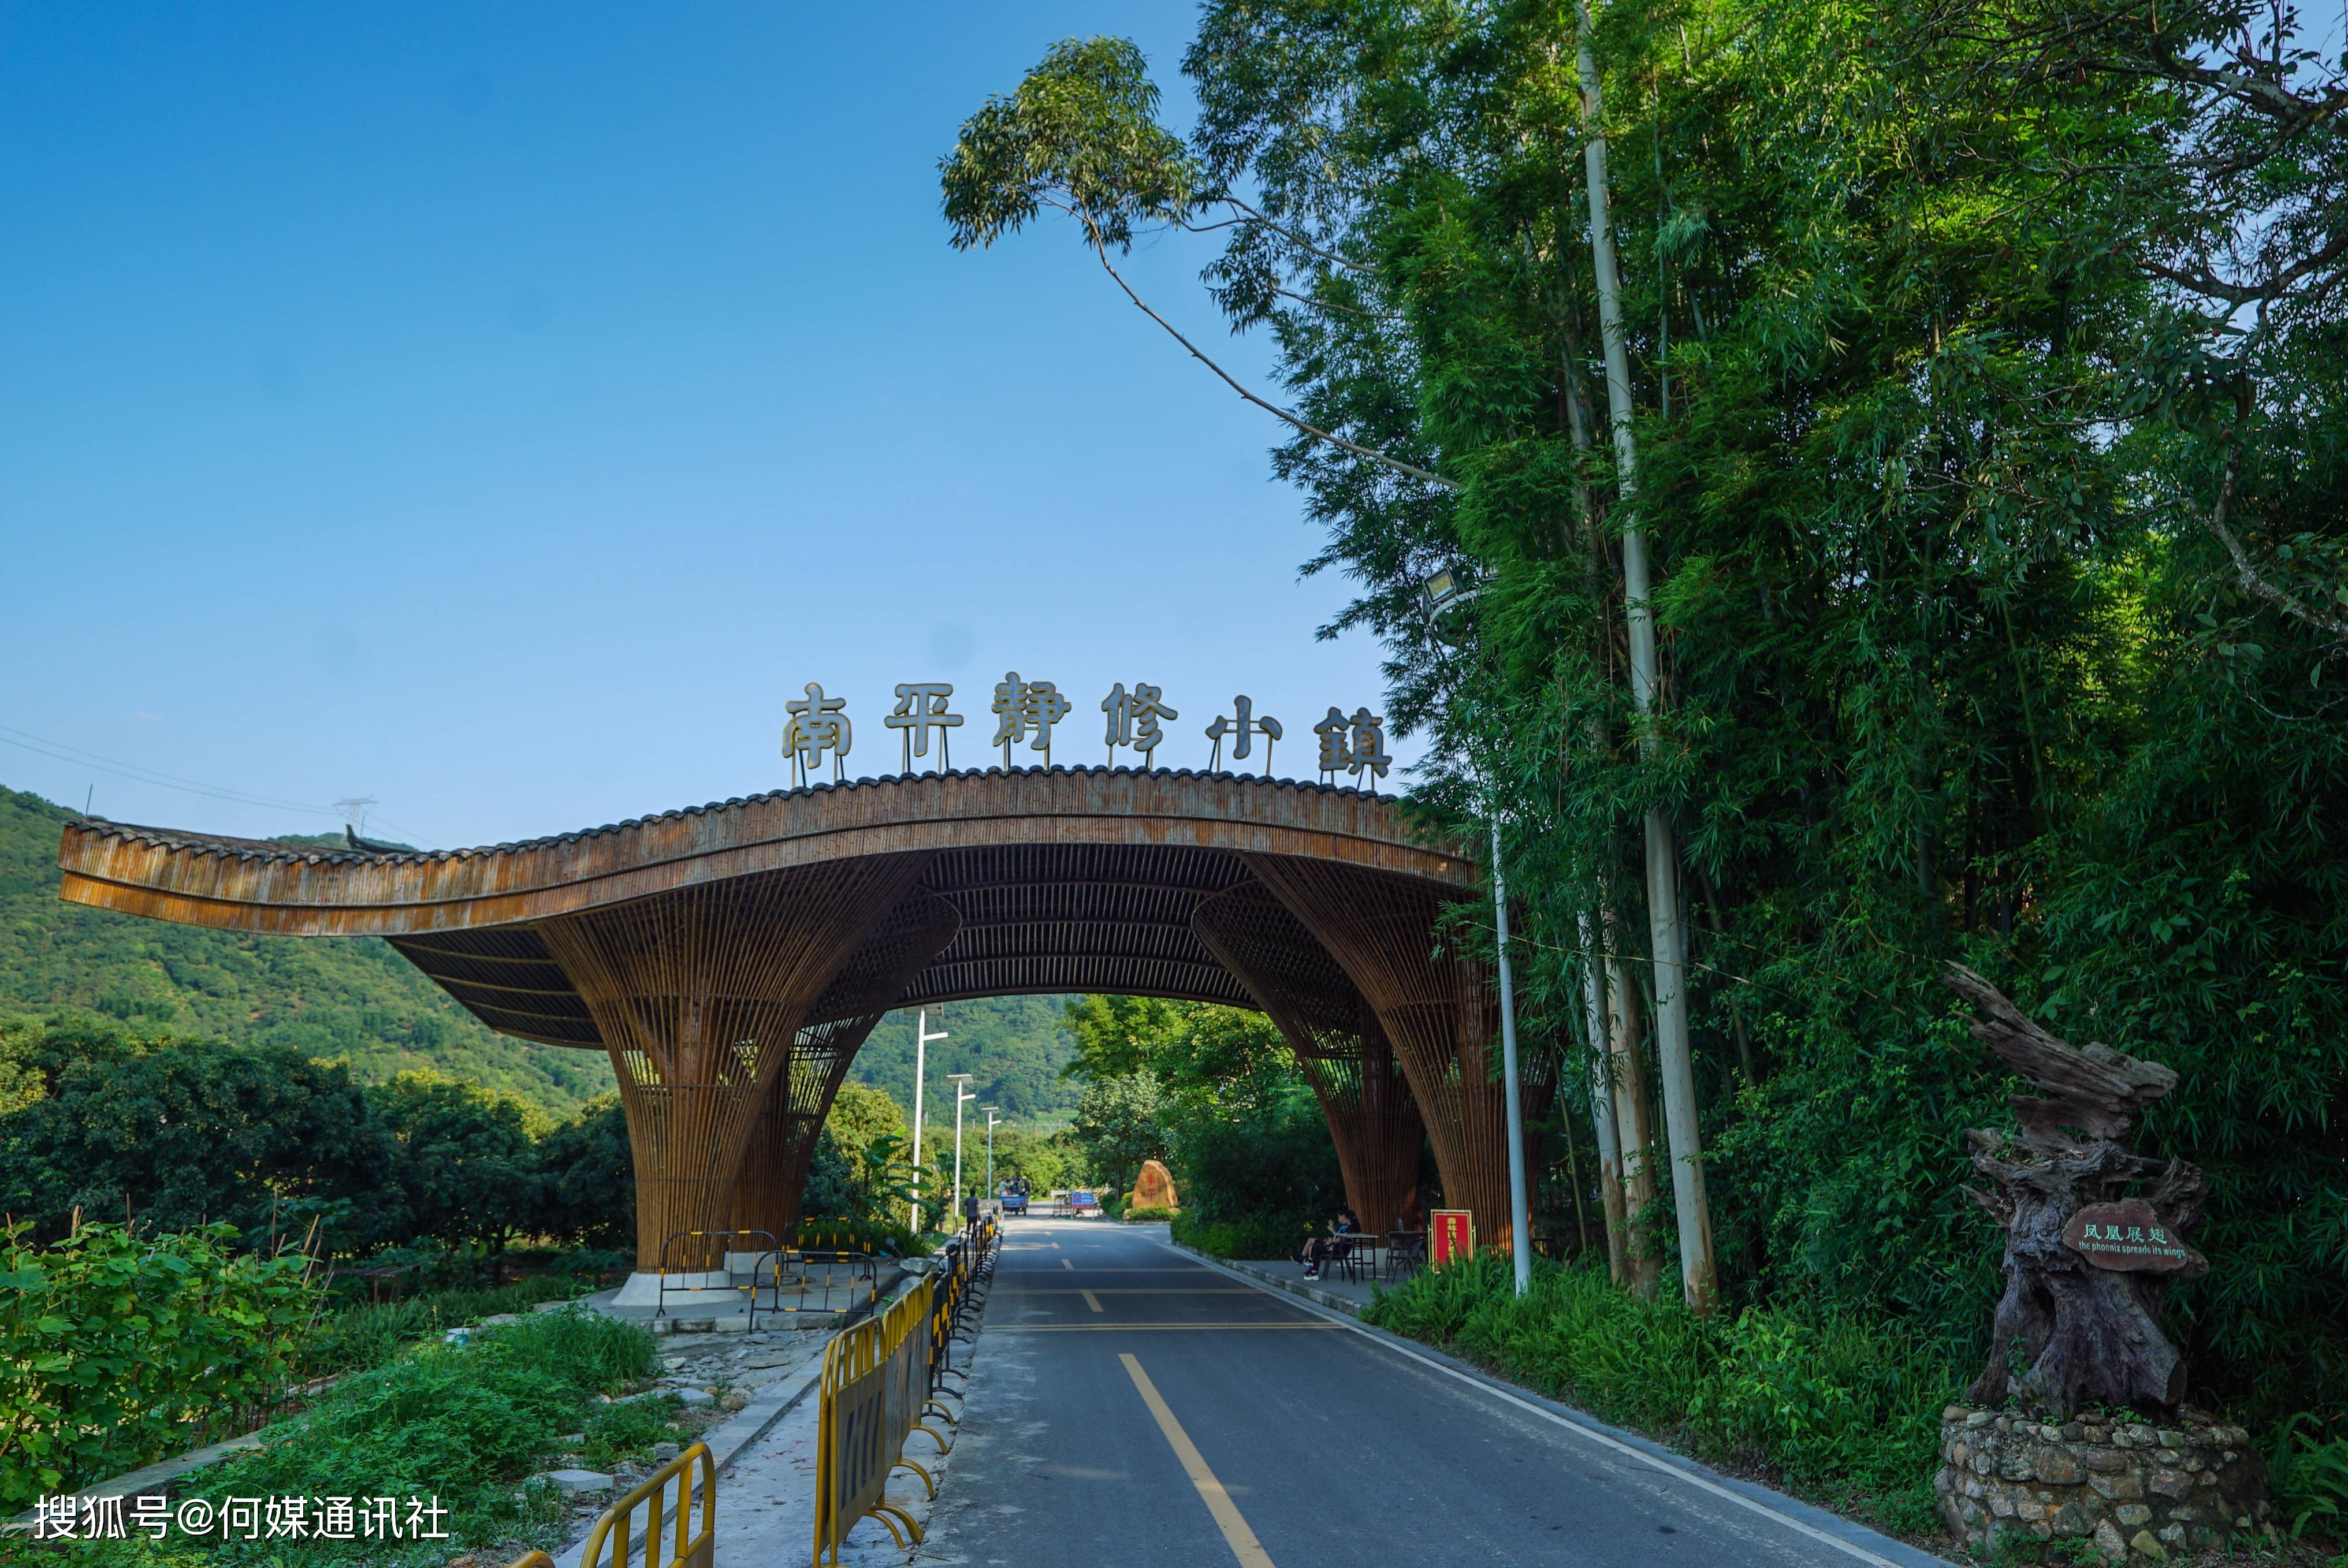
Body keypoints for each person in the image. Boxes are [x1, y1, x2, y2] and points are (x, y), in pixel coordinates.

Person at [1295, 1208, 1361, 1280]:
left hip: (1339, 1250)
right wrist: (1331, 1240)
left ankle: (1313, 1270)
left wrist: (1331, 1241)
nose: (1340, 1219)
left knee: (1316, 1247)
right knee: (1313, 1245)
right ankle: (1312, 1267)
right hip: (1337, 1247)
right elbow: (1340, 1237)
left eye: (1341, 1217)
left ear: (1347, 1218)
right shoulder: (1349, 1228)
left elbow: (1341, 1239)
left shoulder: (1350, 1229)